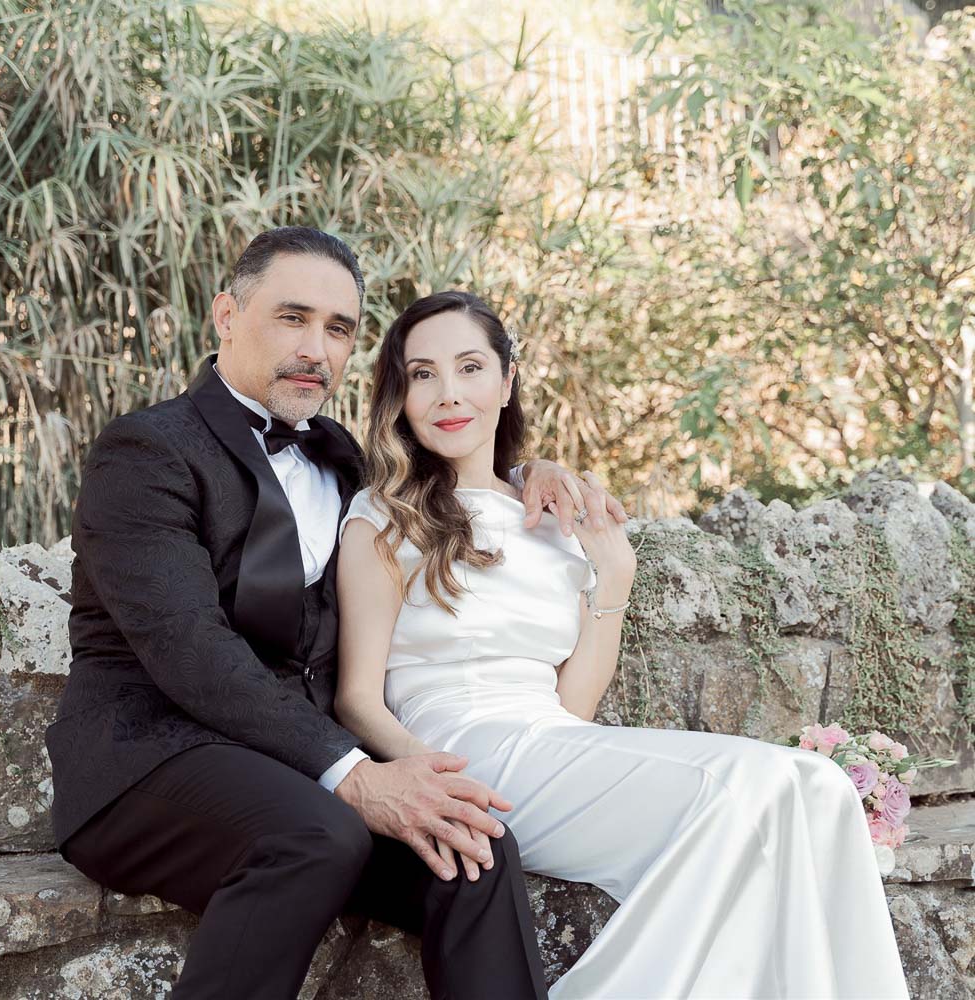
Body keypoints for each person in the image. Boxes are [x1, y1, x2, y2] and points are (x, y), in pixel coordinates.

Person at [45, 227, 628, 1000]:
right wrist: (354, 774)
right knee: (314, 832)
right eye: (293, 318)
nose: (317, 347)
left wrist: (529, 472)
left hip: (292, 768)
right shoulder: (147, 451)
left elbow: (446, 469)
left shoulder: (342, 457)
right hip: (149, 766)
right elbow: (188, 648)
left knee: (476, 851)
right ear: (227, 315)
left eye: (339, 329)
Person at [334, 290, 912, 999]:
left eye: (470, 367)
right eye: (422, 374)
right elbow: (357, 698)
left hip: (548, 741)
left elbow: (571, 707)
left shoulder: (548, 514)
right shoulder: (384, 516)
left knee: (819, 788)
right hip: (463, 755)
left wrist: (615, 576)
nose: (448, 394)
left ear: (507, 381)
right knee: (745, 792)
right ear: (399, 394)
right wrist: (428, 776)